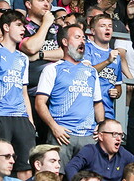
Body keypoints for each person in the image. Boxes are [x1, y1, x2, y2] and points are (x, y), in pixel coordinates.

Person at [35, 24, 105, 164]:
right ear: (65, 42)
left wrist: (101, 125)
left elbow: (97, 103)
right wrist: (54, 127)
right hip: (62, 134)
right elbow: (39, 103)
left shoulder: (91, 72)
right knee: (56, 176)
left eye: (84, 38)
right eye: (77, 37)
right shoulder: (52, 69)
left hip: (88, 136)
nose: (82, 42)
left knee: (88, 178)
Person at [0, 10, 36, 175]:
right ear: (5, 27)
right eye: (18, 25)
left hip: (21, 116)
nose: (23, 29)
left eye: (23, 25)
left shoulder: (23, 58)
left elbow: (24, 91)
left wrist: (30, 120)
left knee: (25, 166)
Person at [64, 119, 134, 181]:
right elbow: (70, 167)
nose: (119, 139)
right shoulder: (90, 150)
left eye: (120, 135)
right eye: (114, 134)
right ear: (101, 136)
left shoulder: (122, 153)